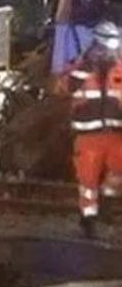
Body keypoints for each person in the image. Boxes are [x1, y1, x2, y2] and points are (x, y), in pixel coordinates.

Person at [57, 20, 122, 237]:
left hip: (115, 135)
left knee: (116, 173)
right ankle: (89, 219)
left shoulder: (120, 69)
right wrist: (83, 68)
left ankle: (105, 203)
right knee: (88, 181)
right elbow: (64, 87)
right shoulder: (82, 67)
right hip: (88, 136)